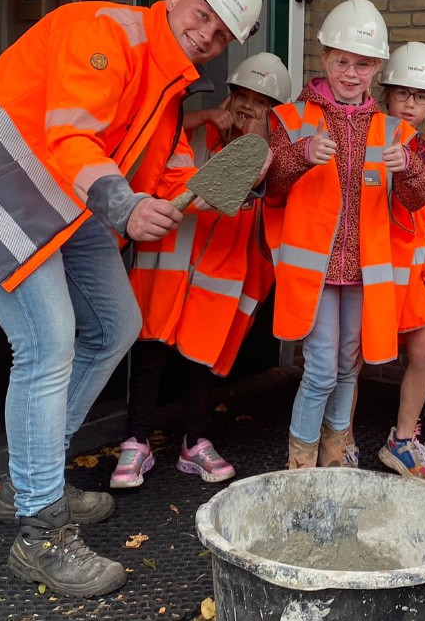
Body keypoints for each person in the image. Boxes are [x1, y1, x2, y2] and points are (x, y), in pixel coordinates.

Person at [0, 0, 264, 597]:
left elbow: (165, 172)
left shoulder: (172, 88)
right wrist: (123, 207)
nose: (207, 34)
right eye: (203, 16)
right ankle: (40, 531)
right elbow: (71, 137)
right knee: (48, 341)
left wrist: (221, 185)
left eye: (222, 33)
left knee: (117, 325)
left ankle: (31, 482)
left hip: (58, 194)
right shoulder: (105, 32)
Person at [264, 0, 425, 469]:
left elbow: (419, 202)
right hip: (313, 272)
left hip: (363, 272)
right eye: (342, 61)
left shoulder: (394, 130)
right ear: (324, 59)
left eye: (362, 63)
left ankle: (334, 457)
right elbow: (271, 191)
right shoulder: (292, 118)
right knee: (320, 370)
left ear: (377, 67)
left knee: (346, 369)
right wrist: (300, 156)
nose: (352, 72)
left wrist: (411, 168)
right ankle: (299, 463)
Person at [113, 51, 291, 488]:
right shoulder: (193, 137)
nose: (248, 107)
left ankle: (197, 442)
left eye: (261, 102)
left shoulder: (268, 161)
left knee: (200, 360)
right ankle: (135, 442)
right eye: (242, 95)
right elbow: (163, 169)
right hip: (165, 270)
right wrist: (198, 118)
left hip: (217, 277)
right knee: (150, 355)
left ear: (275, 115)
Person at [360, 42, 425, 479]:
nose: (410, 104)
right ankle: (341, 439)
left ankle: (402, 440)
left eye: (421, 97)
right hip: (364, 273)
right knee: (352, 358)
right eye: (403, 94)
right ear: (387, 95)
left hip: (409, 277)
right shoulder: (364, 138)